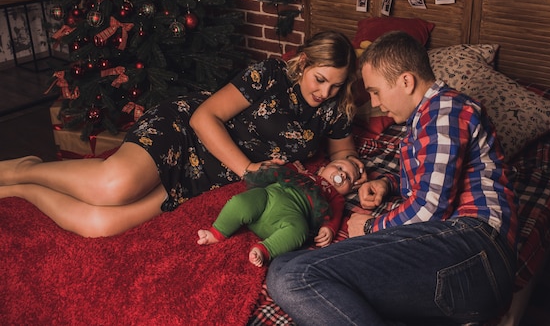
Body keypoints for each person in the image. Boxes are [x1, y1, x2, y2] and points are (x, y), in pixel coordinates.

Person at [0, 31, 365, 238]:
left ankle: (20, 190)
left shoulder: (333, 108)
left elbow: (342, 153)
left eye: (335, 85)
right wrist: (249, 170)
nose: (325, 92)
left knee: (100, 225)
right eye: (320, 80)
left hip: (207, 175)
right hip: (185, 132)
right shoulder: (269, 74)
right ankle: (24, 168)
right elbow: (205, 118)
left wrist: (351, 167)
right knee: (113, 186)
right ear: (303, 63)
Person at [266, 31, 519, 325]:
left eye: (375, 91)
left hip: (475, 247)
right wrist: (387, 184)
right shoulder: (423, 121)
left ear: (406, 81)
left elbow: (430, 207)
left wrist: (371, 225)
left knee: (298, 277)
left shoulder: (447, 111)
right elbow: (433, 178)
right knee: (283, 267)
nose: (373, 103)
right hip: (454, 258)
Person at [197, 158, 359, 267]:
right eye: (339, 167)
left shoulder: (336, 197)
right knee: (241, 201)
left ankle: (265, 249)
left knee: (299, 231)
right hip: (268, 197)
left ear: (350, 190)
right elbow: (280, 172)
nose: (342, 174)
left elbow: (335, 214)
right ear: (322, 168)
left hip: (291, 216)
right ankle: (217, 232)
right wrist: (278, 166)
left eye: (350, 178)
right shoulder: (304, 174)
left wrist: (328, 228)